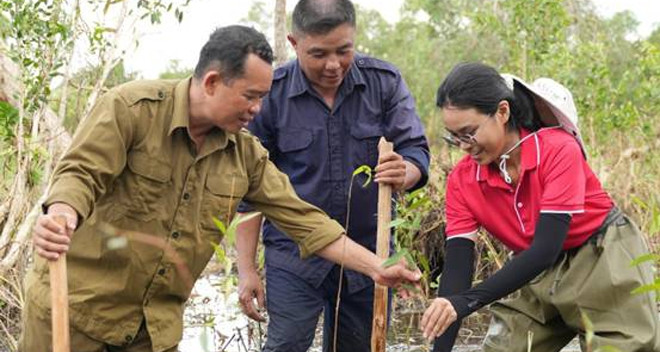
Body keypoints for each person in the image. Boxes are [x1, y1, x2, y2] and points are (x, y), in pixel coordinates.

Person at [20, 25, 421, 352]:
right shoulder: (132, 109)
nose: (257, 109)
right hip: (74, 315)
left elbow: (306, 221)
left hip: (152, 332)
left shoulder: (246, 155)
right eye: (249, 96)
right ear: (212, 82)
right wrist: (61, 215)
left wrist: (376, 267)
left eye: (263, 98)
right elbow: (80, 173)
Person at [420, 62, 659, 352]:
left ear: (502, 112)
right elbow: (457, 272)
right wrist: (442, 340)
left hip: (602, 258)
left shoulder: (558, 149)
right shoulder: (462, 180)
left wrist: (467, 302)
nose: (463, 146)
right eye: (453, 136)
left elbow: (546, 248)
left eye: (469, 133)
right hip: (534, 272)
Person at [234, 1, 430, 351]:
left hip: (369, 253)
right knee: (286, 344)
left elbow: (416, 151)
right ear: (294, 44)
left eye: (344, 50)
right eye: (319, 54)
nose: (333, 65)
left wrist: (406, 171)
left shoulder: (383, 83)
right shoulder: (272, 96)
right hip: (294, 255)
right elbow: (251, 192)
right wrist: (247, 269)